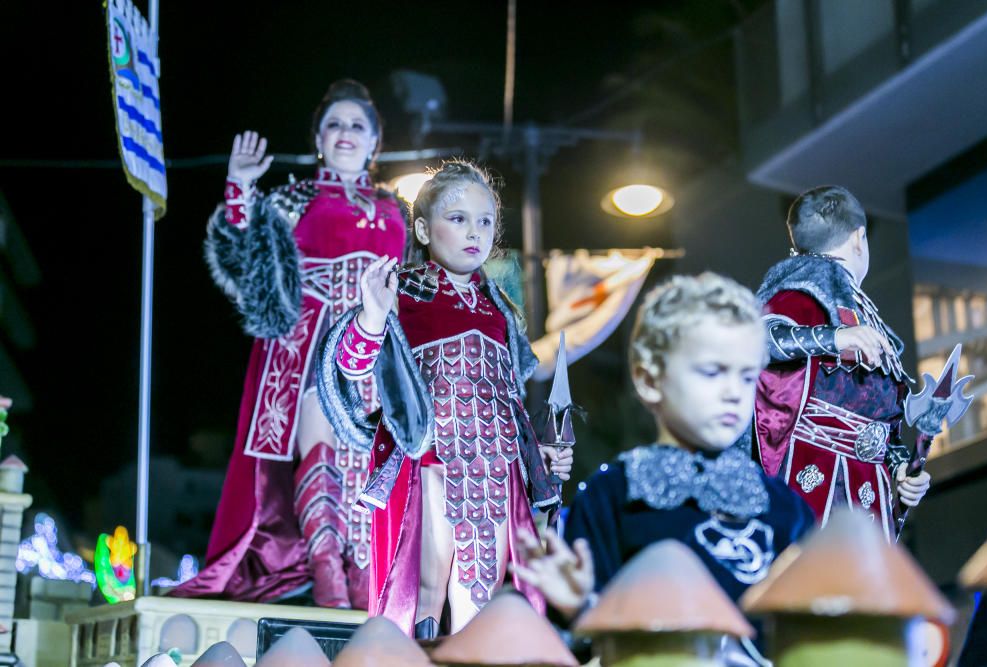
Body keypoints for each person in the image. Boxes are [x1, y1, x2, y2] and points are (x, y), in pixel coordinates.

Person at [173, 80, 407, 609]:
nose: (345, 133)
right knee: (320, 447)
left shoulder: (396, 208)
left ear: (376, 141)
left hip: (381, 351)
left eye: (357, 125)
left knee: (368, 463)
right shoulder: (291, 198)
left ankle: (363, 570)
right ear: (318, 138)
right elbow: (242, 265)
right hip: (310, 346)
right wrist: (239, 188)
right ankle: (327, 573)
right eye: (334, 124)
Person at [317, 160, 573, 637]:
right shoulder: (403, 291)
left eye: (485, 221)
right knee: (425, 592)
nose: (474, 232)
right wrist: (372, 319)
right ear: (422, 228)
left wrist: (540, 455)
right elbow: (349, 369)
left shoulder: (500, 306)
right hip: (430, 461)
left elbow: (507, 404)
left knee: (484, 597)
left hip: (496, 466)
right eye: (458, 219)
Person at [512, 273, 813, 646]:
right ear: (649, 380)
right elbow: (582, 641)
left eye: (747, 376)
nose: (733, 392)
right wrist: (580, 611)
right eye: (712, 371)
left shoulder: (784, 508)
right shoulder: (613, 498)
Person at [750, 186, 930, 540]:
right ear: (859, 238)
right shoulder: (800, 294)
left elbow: (876, 420)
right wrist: (833, 337)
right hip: (812, 482)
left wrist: (899, 472)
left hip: (868, 491)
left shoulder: (860, 314)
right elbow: (756, 338)